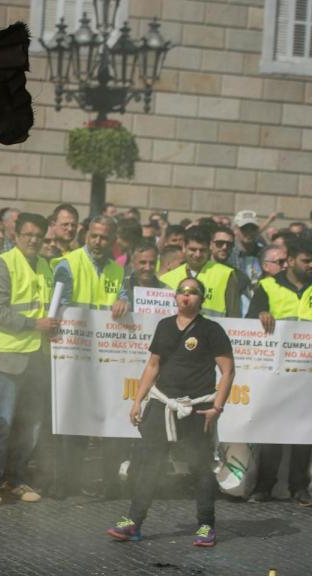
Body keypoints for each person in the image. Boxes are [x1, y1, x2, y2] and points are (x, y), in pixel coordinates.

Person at [108, 277, 234, 547]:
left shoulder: (212, 330)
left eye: (193, 292)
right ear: (175, 297)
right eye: (182, 292)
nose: (187, 297)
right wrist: (137, 400)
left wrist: (216, 408)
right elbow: (153, 366)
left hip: (196, 408)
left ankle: (205, 525)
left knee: (200, 466)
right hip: (163, 403)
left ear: (202, 299)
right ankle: (133, 522)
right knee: (149, 464)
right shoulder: (164, 326)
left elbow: (228, 371)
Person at [0, 213, 55, 506]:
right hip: (6, 359)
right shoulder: (2, 264)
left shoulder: (45, 266)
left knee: (30, 426)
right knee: (1, 425)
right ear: (16, 235)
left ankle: (16, 478)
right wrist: (35, 325)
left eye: (39, 236)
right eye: (28, 234)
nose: (34, 240)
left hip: (36, 358)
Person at [51, 216, 124, 498]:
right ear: (86, 235)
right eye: (94, 236)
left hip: (107, 358)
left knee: (110, 420)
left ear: (112, 240)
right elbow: (58, 308)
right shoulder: (68, 264)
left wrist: (124, 301)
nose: (98, 242)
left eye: (104, 238)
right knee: (72, 421)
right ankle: (66, 481)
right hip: (74, 354)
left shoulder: (118, 271)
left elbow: (123, 296)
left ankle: (108, 482)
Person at [246, 239, 312, 506]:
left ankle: (300, 487)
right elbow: (249, 322)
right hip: (275, 373)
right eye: (306, 260)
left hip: (307, 374)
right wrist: (261, 313)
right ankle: (264, 485)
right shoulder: (268, 286)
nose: (311, 265)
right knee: (272, 431)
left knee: (304, 432)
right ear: (291, 260)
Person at [160, 227, 242, 318]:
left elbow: (235, 316)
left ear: (210, 247)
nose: (197, 255)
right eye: (193, 249)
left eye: (202, 250)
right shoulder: (167, 279)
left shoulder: (226, 275)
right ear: (184, 247)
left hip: (213, 331)